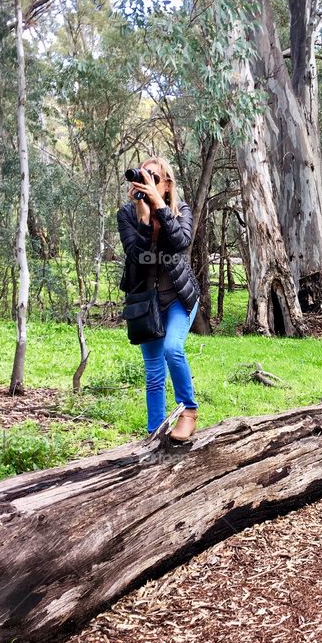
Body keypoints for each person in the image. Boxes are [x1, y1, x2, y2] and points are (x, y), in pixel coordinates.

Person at [117, 157, 201, 441]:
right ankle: (155, 432)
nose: (146, 180)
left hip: (179, 297)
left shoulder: (180, 210)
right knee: (153, 373)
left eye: (154, 176)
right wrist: (143, 219)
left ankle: (189, 412)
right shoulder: (127, 215)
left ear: (167, 185)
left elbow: (181, 242)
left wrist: (160, 208)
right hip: (146, 303)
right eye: (143, 175)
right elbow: (136, 257)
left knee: (173, 349)